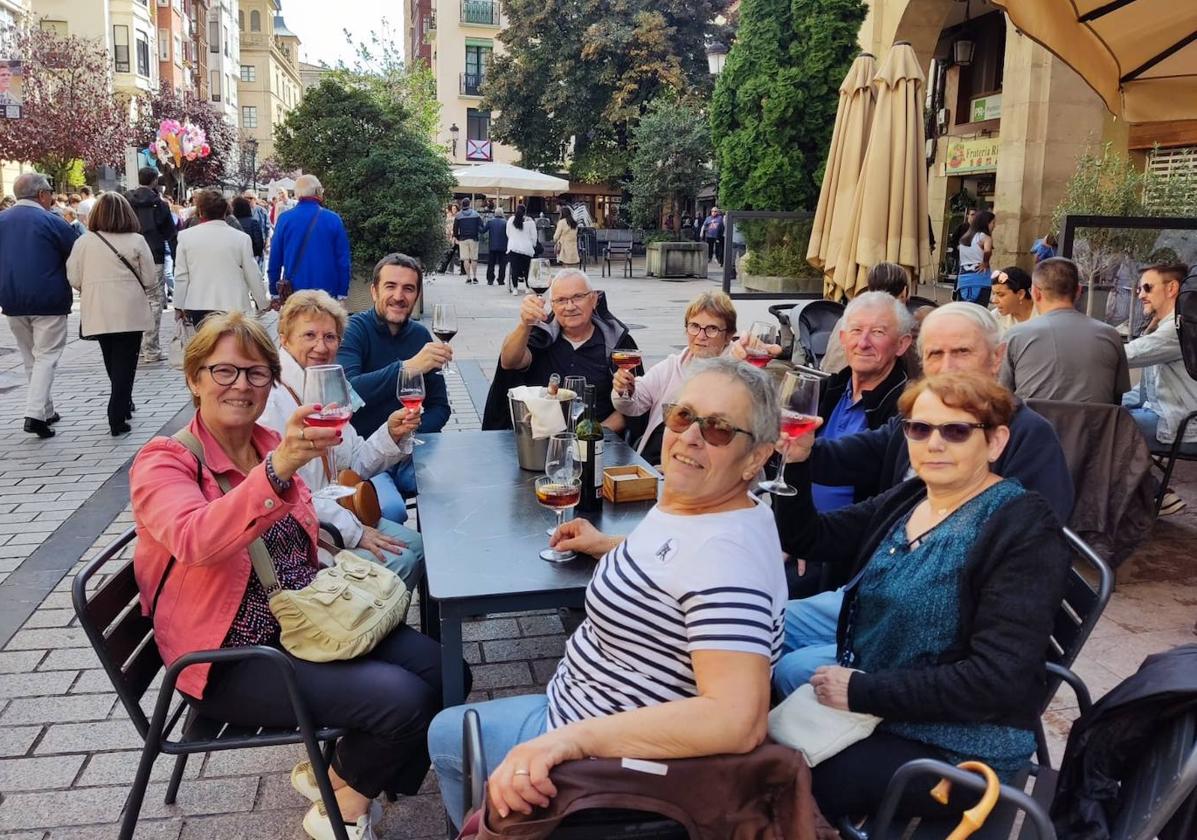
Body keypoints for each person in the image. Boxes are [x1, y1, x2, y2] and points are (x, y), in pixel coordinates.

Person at [130, 312, 463, 840]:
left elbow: (315, 512)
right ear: (194, 379)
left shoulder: (265, 442)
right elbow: (194, 539)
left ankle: (338, 778)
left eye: (256, 373)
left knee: (450, 674)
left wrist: (348, 539)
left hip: (305, 619)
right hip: (230, 658)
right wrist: (277, 469)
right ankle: (341, 810)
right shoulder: (165, 462)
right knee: (404, 703)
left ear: (271, 382)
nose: (242, 385)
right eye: (224, 372)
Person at [429, 357, 786, 828]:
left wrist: (570, 742)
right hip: (587, 709)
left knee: (447, 732)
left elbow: (737, 720)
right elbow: (678, 562)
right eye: (682, 415)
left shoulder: (725, 557)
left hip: (600, 757)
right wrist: (610, 545)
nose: (691, 436)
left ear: (756, 456)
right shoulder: (706, 506)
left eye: (718, 428)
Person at [773, 372, 1069, 820]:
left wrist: (863, 690)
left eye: (956, 430)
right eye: (920, 428)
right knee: (754, 741)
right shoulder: (915, 497)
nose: (934, 443)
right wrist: (796, 462)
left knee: (777, 779)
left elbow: (996, 679)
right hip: (881, 710)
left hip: (960, 748)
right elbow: (810, 538)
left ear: (995, 442)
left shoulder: (1021, 529)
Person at [772, 302, 1074, 696]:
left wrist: (867, 688)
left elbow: (1014, 594)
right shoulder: (915, 472)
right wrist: (796, 455)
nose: (948, 367)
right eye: (935, 354)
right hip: (875, 595)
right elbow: (834, 476)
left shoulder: (1027, 446)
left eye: (962, 352)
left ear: (996, 358)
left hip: (935, 628)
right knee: (752, 624)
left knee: (793, 668)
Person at [259, 291, 426, 588]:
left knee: (420, 546)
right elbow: (288, 496)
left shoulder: (329, 385)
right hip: (304, 533)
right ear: (284, 338)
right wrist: (356, 532)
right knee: (401, 560)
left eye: (330, 337)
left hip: (340, 512)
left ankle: (384, 622)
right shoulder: (271, 400)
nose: (321, 346)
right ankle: (363, 627)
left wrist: (391, 433)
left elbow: (354, 464)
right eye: (309, 335)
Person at [495, 269, 638, 428]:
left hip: (598, 440)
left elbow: (634, 405)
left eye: (578, 297)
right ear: (552, 306)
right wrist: (524, 324)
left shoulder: (617, 342)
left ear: (594, 299)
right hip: (542, 436)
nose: (570, 307)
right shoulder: (542, 338)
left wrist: (595, 435)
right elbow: (508, 362)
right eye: (561, 300)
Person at [810, 292, 913, 512]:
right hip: (792, 533)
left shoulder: (906, 409)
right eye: (856, 330)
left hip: (855, 540)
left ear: (902, 344)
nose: (863, 343)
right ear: (842, 338)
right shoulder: (825, 390)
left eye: (878, 332)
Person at [66, 193, 157, 436]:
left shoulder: (84, 242)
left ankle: (123, 402)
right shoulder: (136, 241)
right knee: (127, 362)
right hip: (129, 310)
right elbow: (150, 278)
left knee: (112, 361)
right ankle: (117, 412)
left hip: (98, 310)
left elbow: (74, 278)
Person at [611, 291, 737, 463]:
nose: (701, 336)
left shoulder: (737, 376)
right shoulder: (672, 366)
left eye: (712, 329)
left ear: (729, 335)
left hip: (700, 466)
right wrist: (625, 390)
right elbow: (633, 406)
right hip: (655, 462)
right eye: (694, 326)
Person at [0, 173, 79, 438]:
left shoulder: (2, 220)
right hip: (48, 298)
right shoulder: (51, 221)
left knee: (30, 356)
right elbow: (74, 252)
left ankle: (46, 409)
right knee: (46, 356)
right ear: (42, 195)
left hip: (11, 298)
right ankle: (35, 414)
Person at [1000, 257, 1129, 405]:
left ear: (1035, 293)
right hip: (1095, 427)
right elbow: (1116, 400)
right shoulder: (1110, 335)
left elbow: (1002, 396)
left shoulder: (1016, 336)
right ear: (1079, 291)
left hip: (1034, 427)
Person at [1122, 262, 1197, 515]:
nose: (1140, 294)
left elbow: (1123, 354)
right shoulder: (1171, 326)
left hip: (1178, 423)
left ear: (1172, 288)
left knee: (1105, 428)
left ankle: (1155, 492)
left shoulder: (1176, 330)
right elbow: (1143, 391)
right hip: (1169, 415)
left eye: (1147, 287)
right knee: (1103, 418)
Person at [172, 189, 267, 327]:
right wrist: (262, 301)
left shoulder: (186, 237)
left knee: (207, 346)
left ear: (200, 211)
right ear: (226, 211)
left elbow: (181, 275)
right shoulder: (241, 238)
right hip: (233, 302)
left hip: (199, 303)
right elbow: (252, 273)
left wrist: (178, 306)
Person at [820, 262, 919, 376]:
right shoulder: (902, 326)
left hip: (828, 380)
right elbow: (917, 376)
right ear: (904, 292)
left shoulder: (848, 317)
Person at [267, 175, 350, 304]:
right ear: (318, 192)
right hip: (328, 293)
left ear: (297, 193)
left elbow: (275, 259)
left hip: (295, 293)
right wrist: (342, 292)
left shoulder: (285, 219)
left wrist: (274, 291)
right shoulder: (333, 219)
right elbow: (343, 260)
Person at [127, 167, 180, 364]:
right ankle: (150, 347)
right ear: (154, 182)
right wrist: (176, 259)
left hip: (128, 256)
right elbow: (170, 233)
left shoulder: (126, 200)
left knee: (134, 301)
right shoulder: (160, 204)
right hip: (154, 254)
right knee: (155, 300)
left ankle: (136, 347)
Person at [955, 210, 995, 305]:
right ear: (986, 223)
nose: (994, 226)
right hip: (980, 278)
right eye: (993, 222)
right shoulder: (985, 237)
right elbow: (987, 251)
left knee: (964, 312)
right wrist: (985, 262)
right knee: (979, 311)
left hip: (963, 279)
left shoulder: (964, 239)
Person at [990, 265, 1035, 334]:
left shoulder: (1044, 314)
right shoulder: (995, 318)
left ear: (1020, 294)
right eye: (994, 294)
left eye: (1001, 295)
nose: (994, 301)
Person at [505, 203, 537, 294]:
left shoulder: (511, 220)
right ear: (525, 212)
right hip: (526, 248)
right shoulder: (530, 222)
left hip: (513, 247)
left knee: (514, 268)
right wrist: (533, 245)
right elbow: (534, 236)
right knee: (526, 269)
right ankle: (527, 287)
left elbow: (508, 233)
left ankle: (515, 288)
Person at [453, 197, 484, 284]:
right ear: (469, 204)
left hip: (463, 239)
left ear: (462, 205)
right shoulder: (476, 214)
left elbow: (455, 228)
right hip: (474, 238)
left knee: (465, 259)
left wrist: (456, 237)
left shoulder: (458, 215)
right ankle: (475, 277)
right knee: (474, 259)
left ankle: (468, 278)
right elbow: (481, 225)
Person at [231, 197, 265, 265]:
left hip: (234, 258)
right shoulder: (253, 222)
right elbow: (259, 244)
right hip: (251, 258)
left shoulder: (231, 222)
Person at [485, 207, 508, 287]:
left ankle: (490, 280)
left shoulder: (490, 222)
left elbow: (483, 230)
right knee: (502, 265)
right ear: (502, 214)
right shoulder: (506, 223)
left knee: (491, 264)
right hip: (503, 247)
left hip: (492, 246)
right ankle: (501, 280)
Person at [437, 202, 459, 277]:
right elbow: (447, 227)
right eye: (452, 209)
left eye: (455, 209)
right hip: (449, 236)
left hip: (456, 236)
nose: (453, 210)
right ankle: (446, 268)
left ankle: (447, 268)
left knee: (452, 253)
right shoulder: (449, 217)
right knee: (449, 253)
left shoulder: (458, 217)